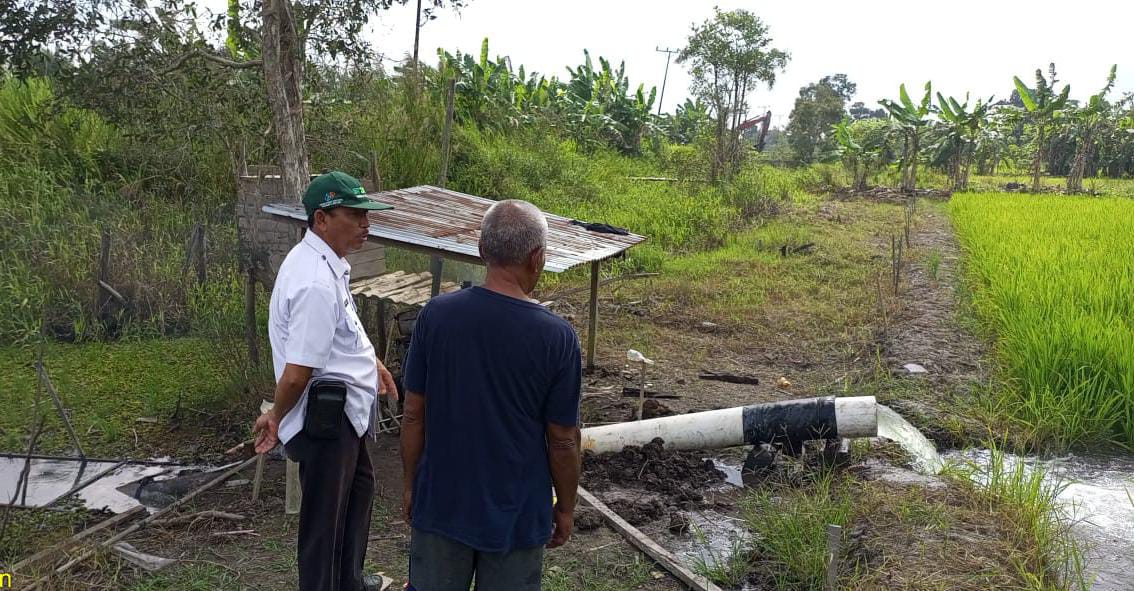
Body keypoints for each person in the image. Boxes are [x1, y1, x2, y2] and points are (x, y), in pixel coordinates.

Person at [399, 199, 583, 591]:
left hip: (442, 504)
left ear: (482, 251)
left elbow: (413, 414)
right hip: (516, 513)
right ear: (538, 258)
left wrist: (413, 485)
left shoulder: (436, 316)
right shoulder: (557, 337)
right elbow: (563, 440)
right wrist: (565, 507)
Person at [252, 171, 399, 591]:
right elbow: (299, 371)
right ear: (321, 219)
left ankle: (349, 581)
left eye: (366, 214)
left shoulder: (327, 265)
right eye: (354, 215)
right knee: (324, 522)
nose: (365, 223)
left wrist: (374, 364)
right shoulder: (314, 281)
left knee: (358, 496)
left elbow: (341, 333)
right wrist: (276, 416)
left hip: (344, 416)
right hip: (325, 422)